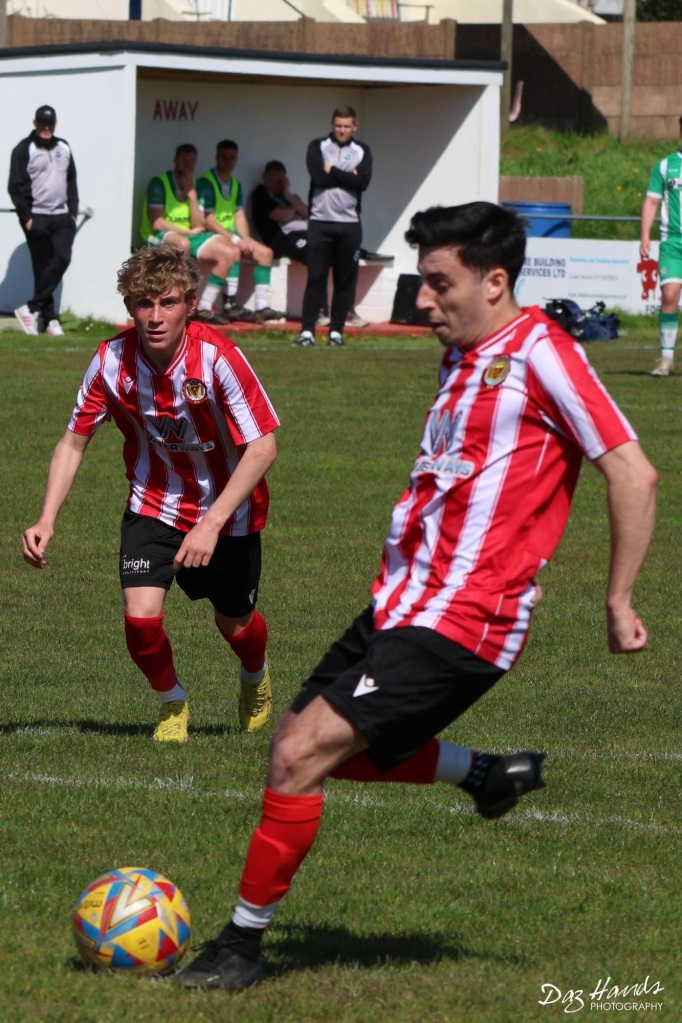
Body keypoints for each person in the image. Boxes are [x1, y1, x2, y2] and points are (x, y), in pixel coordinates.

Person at [175, 201, 657, 992]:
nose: (422, 301)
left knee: (301, 753)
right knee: (297, 745)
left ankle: (239, 949)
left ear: (495, 281)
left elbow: (633, 471)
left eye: (439, 283)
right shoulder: (462, 357)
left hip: (467, 615)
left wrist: (618, 598)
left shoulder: (542, 351)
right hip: (401, 601)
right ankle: (483, 774)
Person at [22, 246, 280, 741]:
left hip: (229, 513)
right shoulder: (110, 361)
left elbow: (263, 447)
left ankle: (255, 676)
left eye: (166, 303)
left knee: (236, 625)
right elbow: (73, 442)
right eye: (143, 304)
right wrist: (46, 518)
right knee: (140, 623)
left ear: (189, 304)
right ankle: (173, 705)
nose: (155, 316)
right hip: (154, 502)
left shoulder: (217, 357)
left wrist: (211, 523)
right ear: (129, 307)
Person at [250, 159, 370, 328]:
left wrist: (289, 196)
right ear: (264, 178)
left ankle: (347, 310)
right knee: (317, 256)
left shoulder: (290, 197)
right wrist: (295, 208)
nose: (276, 184)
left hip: (309, 234)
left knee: (350, 254)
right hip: (284, 239)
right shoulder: (260, 194)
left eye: (280, 180)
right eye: (272, 179)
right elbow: (281, 216)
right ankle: (320, 311)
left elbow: (310, 214)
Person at [294, 106, 372, 348]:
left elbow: (363, 182)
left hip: (349, 225)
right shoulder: (317, 147)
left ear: (354, 127)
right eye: (338, 125)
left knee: (344, 281)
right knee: (316, 277)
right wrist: (348, 176)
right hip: (320, 223)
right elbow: (319, 178)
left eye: (347, 126)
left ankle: (336, 332)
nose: (342, 130)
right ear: (332, 124)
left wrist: (334, 170)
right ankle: (307, 331)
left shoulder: (362, 150)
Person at [140, 143, 238, 327]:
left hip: (186, 235)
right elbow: (157, 222)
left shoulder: (195, 185)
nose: (188, 165)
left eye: (192, 161)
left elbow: (199, 224)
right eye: (184, 160)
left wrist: (192, 196)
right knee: (182, 245)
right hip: (158, 234)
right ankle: (177, 302)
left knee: (229, 251)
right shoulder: (159, 183)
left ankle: (205, 307)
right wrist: (188, 232)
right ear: (175, 160)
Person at [9, 104, 78, 337]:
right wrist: (26, 217)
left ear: (55, 124)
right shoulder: (23, 148)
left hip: (61, 216)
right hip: (36, 216)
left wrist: (73, 212)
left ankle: (31, 307)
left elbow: (71, 181)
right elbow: (15, 185)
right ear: (35, 123)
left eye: (50, 123)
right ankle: (50, 320)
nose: (46, 127)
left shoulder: (64, 147)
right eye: (42, 123)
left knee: (61, 258)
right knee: (42, 268)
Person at [198, 140, 286, 325]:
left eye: (232, 158)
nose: (228, 161)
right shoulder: (206, 182)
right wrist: (237, 240)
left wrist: (245, 239)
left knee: (266, 253)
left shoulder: (235, 184)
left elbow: (239, 215)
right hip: (211, 235)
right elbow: (208, 220)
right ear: (216, 158)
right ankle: (230, 304)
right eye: (224, 157)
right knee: (235, 250)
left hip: (231, 235)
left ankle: (262, 307)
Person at [640, 117, 682, 377]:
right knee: (669, 296)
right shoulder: (666, 165)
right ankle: (666, 359)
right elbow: (651, 202)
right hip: (672, 243)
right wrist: (645, 236)